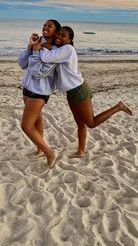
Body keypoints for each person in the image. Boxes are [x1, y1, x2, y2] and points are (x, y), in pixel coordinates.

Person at [30, 26, 132, 158]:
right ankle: (81, 151)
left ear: (70, 39)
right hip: (71, 91)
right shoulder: (60, 49)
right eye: (58, 35)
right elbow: (51, 49)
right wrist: (42, 43)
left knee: (91, 123)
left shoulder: (67, 49)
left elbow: (45, 58)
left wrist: (38, 47)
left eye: (63, 36)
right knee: (80, 123)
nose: (59, 37)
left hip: (79, 90)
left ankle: (119, 107)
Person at [18, 19, 61, 168]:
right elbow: (22, 63)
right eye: (44, 25)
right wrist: (30, 46)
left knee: (26, 126)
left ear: (56, 31)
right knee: (37, 121)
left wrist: (36, 51)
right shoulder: (38, 42)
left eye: (49, 26)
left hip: (40, 91)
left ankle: (49, 153)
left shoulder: (55, 50)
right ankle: (40, 149)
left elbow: (38, 72)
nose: (45, 27)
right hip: (28, 87)